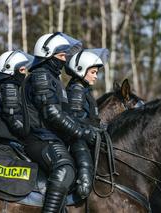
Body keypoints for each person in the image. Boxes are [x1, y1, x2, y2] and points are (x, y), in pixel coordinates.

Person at [23, 32, 99, 213]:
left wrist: (87, 128)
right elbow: (52, 113)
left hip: (50, 138)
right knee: (64, 168)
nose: (65, 60)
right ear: (47, 54)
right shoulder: (40, 76)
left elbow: (68, 115)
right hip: (39, 138)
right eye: (61, 55)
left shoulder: (53, 79)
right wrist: (81, 133)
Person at [65, 48, 109, 199]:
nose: (96, 76)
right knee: (85, 166)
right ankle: (81, 191)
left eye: (96, 73)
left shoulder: (84, 90)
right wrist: (90, 130)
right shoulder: (77, 90)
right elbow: (75, 118)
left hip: (87, 135)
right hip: (77, 139)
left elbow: (89, 117)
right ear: (80, 69)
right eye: (93, 72)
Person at [0, 50, 34, 145]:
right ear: (11, 70)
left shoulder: (7, 87)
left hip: (10, 143)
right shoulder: (9, 88)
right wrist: (35, 134)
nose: (25, 74)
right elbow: (15, 121)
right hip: (10, 145)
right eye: (22, 70)